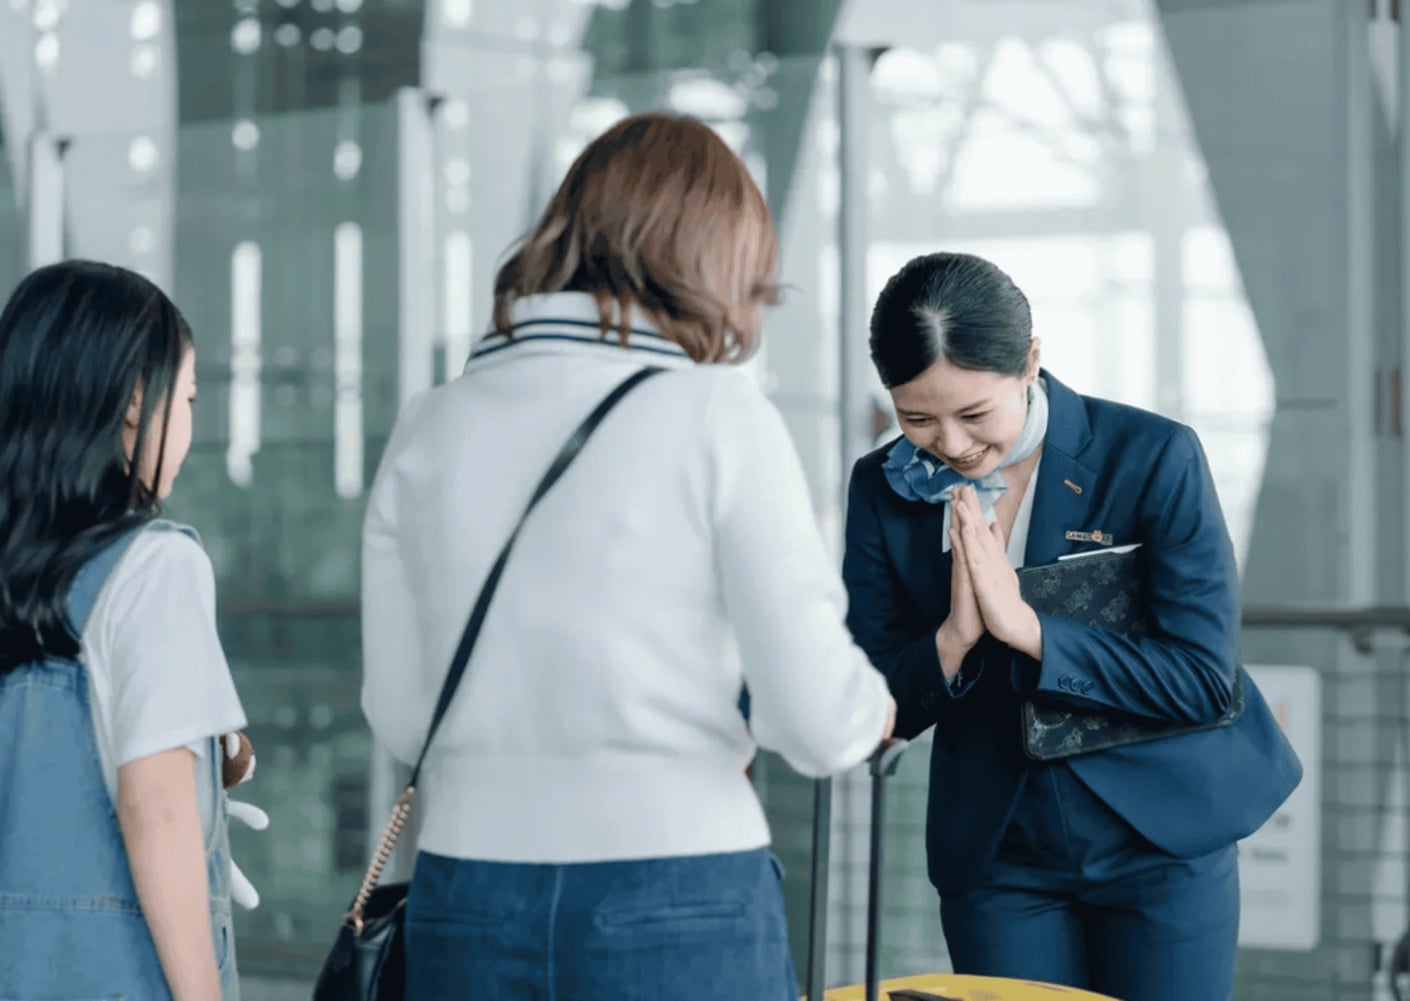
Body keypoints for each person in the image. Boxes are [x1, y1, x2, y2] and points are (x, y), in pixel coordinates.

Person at [361, 112, 895, 1000]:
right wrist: (868, 711)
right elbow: (812, 717)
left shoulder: (432, 423)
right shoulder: (717, 414)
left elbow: (402, 713)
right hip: (678, 890)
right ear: (712, 261)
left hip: (466, 895)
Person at [842, 252, 1302, 1001]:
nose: (951, 444)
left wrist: (1029, 628)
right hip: (999, 853)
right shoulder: (883, 487)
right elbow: (872, 703)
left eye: (974, 413)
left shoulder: (1152, 456)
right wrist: (954, 639)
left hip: (1160, 837)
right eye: (917, 418)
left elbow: (1201, 677)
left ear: (1030, 361)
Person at [0, 260, 248, 1000]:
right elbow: (159, 805)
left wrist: (214, 750)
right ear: (135, 401)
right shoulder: (151, 565)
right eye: (191, 396)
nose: (192, 427)